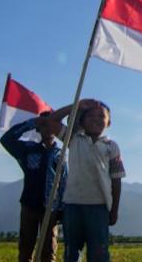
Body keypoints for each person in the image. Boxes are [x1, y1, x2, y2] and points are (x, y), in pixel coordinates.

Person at [47, 99, 125, 262]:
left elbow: (116, 180)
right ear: (81, 120)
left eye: (101, 116)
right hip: (72, 205)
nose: (96, 119)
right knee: (71, 252)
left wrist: (114, 209)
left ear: (108, 122)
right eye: (90, 115)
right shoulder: (74, 139)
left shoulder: (112, 146)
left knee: (99, 253)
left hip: (100, 206)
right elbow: (52, 121)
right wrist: (76, 105)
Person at [0, 111, 66, 262]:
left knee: (48, 250)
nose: (48, 128)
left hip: (51, 208)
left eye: (51, 124)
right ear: (38, 129)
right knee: (26, 247)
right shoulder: (27, 149)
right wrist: (33, 122)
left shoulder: (60, 155)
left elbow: (64, 183)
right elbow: (6, 139)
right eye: (44, 125)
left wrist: (62, 209)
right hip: (29, 204)